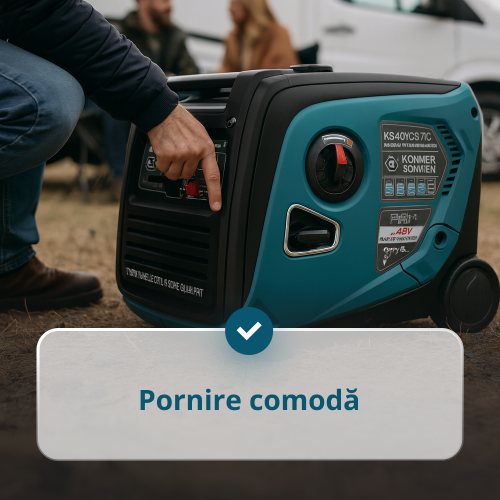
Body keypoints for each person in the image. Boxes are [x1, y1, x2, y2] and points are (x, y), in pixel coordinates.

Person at [0, 0, 221, 312]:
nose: (169, 4)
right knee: (43, 101)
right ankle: (118, 175)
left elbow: (35, 14)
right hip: (111, 100)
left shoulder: (175, 36)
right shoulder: (127, 27)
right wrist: (155, 104)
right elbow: (43, 10)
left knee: (35, 65)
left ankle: (7, 261)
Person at [104, 0, 199, 200]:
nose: (169, 6)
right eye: (163, 1)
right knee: (113, 104)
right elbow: (111, 73)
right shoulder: (118, 32)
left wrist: (167, 80)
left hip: (165, 97)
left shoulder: (175, 36)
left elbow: (192, 74)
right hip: (125, 98)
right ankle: (121, 179)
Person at [219, 0, 299, 73]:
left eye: (236, 4)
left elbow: (275, 73)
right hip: (244, 84)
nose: (230, 9)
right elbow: (225, 70)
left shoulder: (278, 33)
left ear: (251, 6)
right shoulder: (233, 37)